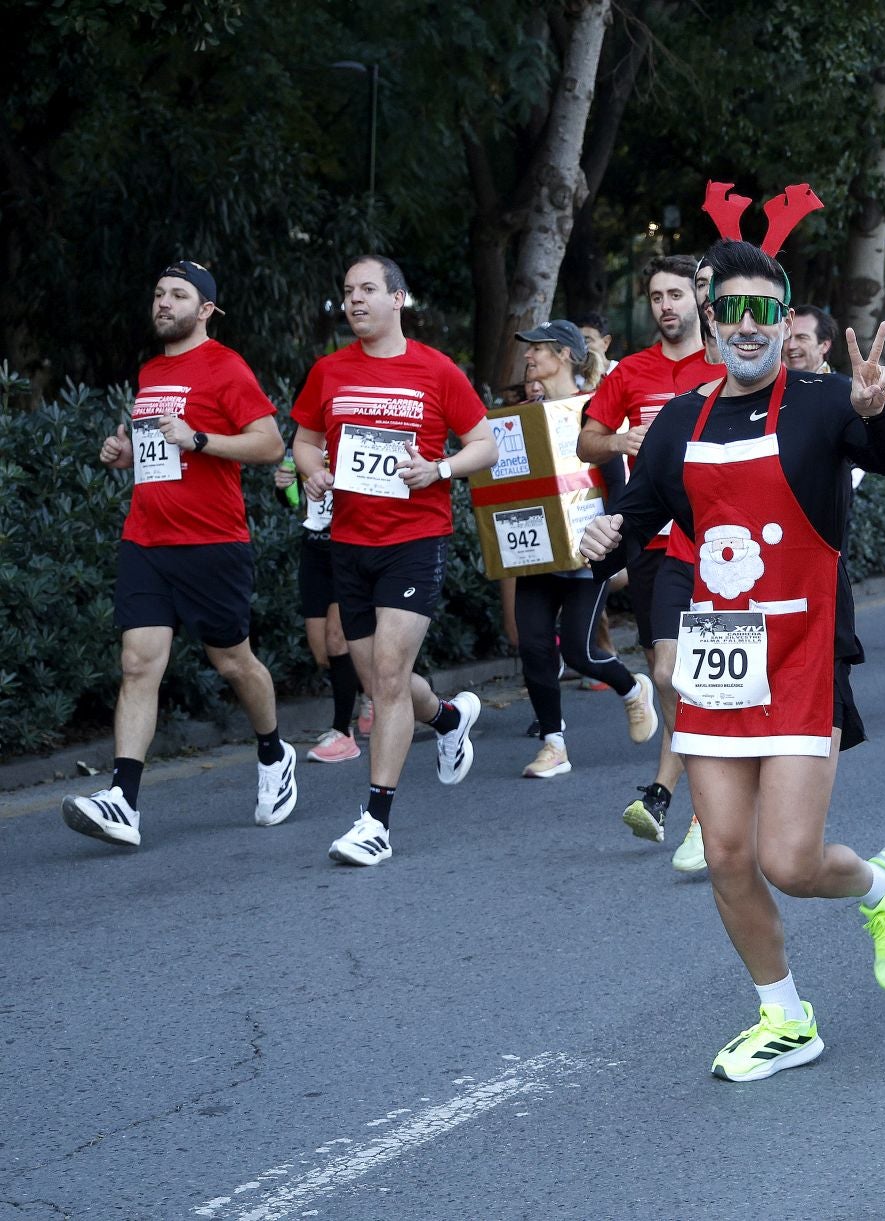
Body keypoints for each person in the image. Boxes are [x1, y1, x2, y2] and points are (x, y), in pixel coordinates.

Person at [579, 238, 885, 1083]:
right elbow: (633, 515)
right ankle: (785, 1015)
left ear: (785, 319)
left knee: (790, 860)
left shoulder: (820, 401)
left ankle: (883, 885)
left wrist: (877, 410)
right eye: (727, 309)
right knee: (728, 853)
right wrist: (600, 540)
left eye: (761, 311)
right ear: (709, 320)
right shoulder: (676, 421)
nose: (744, 325)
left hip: (802, 650)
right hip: (717, 654)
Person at [63, 260, 299, 848]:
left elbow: (270, 444)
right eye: (159, 293)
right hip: (147, 538)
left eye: (179, 295)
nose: (164, 302)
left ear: (206, 310)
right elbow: (160, 453)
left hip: (211, 544)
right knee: (138, 664)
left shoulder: (226, 367)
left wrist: (199, 439)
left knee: (233, 663)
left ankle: (274, 753)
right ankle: (123, 801)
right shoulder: (150, 371)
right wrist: (127, 455)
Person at [291, 255, 496, 865]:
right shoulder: (328, 371)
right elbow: (303, 438)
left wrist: (439, 468)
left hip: (415, 539)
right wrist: (314, 473)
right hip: (350, 543)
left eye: (368, 290)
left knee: (384, 678)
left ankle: (375, 821)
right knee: (382, 678)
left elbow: (483, 444)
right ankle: (449, 716)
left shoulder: (436, 370)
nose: (355, 301)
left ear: (398, 298)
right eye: (348, 291)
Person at [577, 255, 724, 867]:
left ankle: (694, 806)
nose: (666, 306)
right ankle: (687, 797)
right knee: (667, 675)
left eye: (676, 294)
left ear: (697, 299)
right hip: (652, 540)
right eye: (656, 296)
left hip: (718, 541)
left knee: (700, 676)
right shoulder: (630, 371)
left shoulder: (720, 365)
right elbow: (587, 437)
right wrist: (621, 440)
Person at [510, 319, 659, 778]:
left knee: (579, 651)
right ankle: (553, 745)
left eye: (537, 349)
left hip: (587, 552)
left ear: (565, 355)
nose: (528, 357)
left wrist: (616, 546)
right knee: (534, 646)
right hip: (536, 552)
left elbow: (618, 483)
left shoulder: (595, 413)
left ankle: (632, 689)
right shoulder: (521, 415)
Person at [273, 438, 365, 763]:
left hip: (349, 547)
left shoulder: (355, 432)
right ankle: (369, 690)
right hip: (313, 550)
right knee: (322, 650)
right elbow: (296, 501)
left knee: (337, 639)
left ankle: (343, 733)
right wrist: (283, 487)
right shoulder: (303, 444)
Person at [784, 304, 836, 373]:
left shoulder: (846, 383)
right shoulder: (767, 382)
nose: (791, 346)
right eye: (787, 337)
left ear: (824, 346)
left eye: (802, 337)